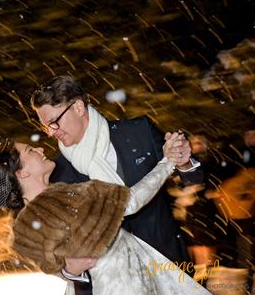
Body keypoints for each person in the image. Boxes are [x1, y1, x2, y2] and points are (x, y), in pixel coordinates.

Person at [30, 76, 203, 293]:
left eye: (55, 122)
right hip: (116, 285)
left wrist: (185, 161)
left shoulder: (139, 131)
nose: (52, 132)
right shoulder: (59, 173)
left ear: (78, 107)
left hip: (170, 266)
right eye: (46, 126)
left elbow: (192, 179)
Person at [0, 139, 210, 294]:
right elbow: (131, 201)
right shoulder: (67, 198)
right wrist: (167, 162)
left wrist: (69, 271)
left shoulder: (33, 220)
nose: (41, 150)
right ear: (22, 172)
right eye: (31, 151)